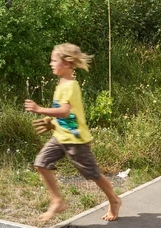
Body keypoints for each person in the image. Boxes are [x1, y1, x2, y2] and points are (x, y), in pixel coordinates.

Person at [24, 43, 122, 223]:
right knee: (41, 163)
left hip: (76, 140)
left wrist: (39, 109)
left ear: (67, 63)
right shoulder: (61, 84)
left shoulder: (70, 85)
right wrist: (51, 123)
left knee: (93, 174)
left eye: (54, 60)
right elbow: (65, 115)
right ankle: (57, 201)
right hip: (60, 136)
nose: (51, 64)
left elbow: (65, 111)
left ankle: (114, 199)